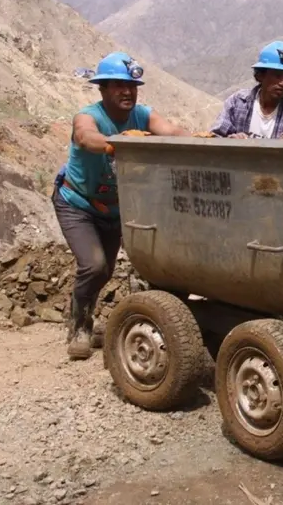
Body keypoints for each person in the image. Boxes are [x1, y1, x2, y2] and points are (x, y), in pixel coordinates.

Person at [53, 51, 188, 360]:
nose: (127, 92)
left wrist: (200, 140)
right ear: (102, 89)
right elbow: (86, 138)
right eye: (118, 85)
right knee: (94, 265)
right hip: (78, 203)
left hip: (116, 208)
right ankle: (79, 327)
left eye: (132, 86)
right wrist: (119, 141)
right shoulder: (89, 115)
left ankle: (89, 316)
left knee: (107, 269)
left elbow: (171, 131)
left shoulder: (142, 115)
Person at [209, 40, 283, 139]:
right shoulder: (238, 102)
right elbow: (214, 136)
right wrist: (230, 140)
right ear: (260, 76)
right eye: (277, 75)